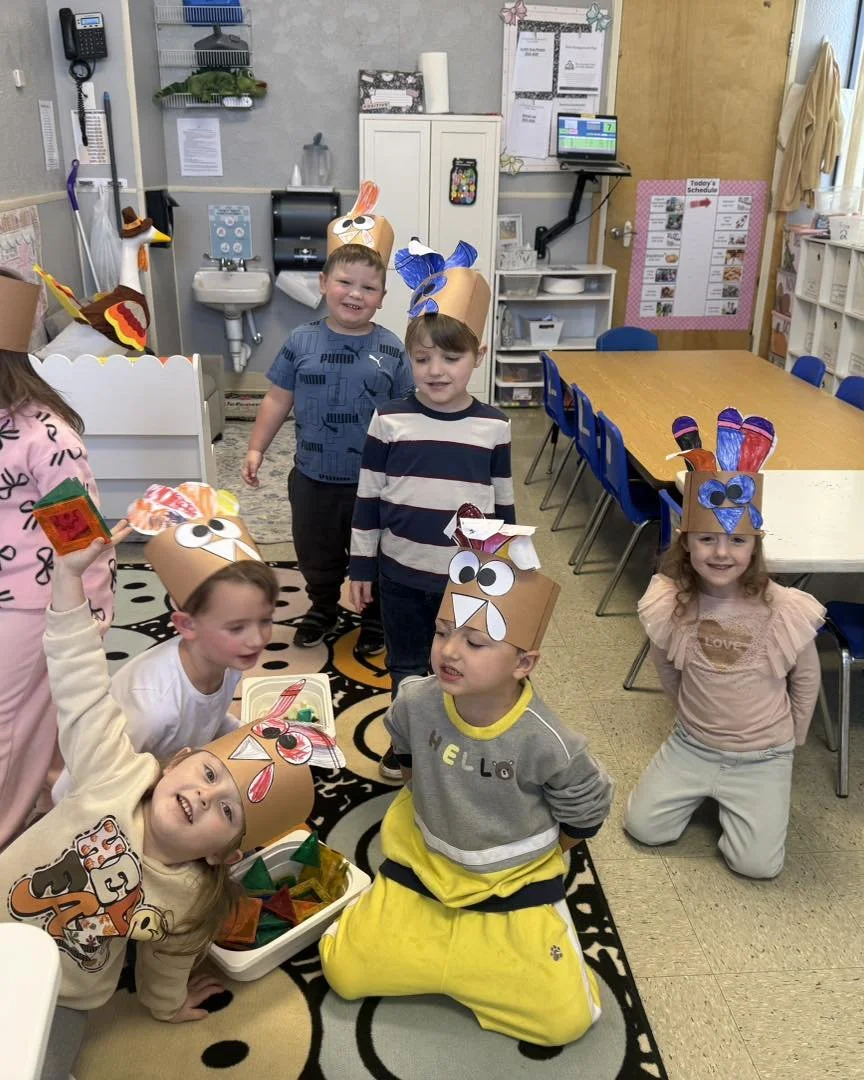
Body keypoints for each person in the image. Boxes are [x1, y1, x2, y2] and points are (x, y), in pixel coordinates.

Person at [1, 520, 316, 1080]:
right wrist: (69, 578)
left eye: (226, 809)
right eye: (209, 771)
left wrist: (167, 1006)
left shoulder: (193, 895)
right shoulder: (113, 775)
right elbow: (78, 680)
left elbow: (166, 961)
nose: (204, 793)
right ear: (178, 758)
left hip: (64, 993)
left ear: (225, 854)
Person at [322, 511, 613, 1047]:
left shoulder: (549, 741)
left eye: (476, 643)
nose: (450, 651)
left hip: (511, 886)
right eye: (441, 632)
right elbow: (407, 755)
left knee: (564, 1021)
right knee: (344, 970)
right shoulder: (416, 700)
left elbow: (585, 813)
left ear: (523, 662)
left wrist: (545, 854)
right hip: (425, 864)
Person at [624, 409, 825, 879]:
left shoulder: (782, 607)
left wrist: (791, 739)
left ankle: (748, 802)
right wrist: (688, 716)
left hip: (763, 756)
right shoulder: (671, 601)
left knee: (757, 866)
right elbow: (666, 665)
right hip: (692, 745)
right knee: (644, 827)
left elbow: (807, 675)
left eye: (736, 540)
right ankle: (703, 792)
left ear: (753, 547)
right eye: (707, 538)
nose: (720, 552)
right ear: (686, 542)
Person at [349, 240, 514, 779]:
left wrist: (511, 569)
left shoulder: (494, 426)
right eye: (422, 358)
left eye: (451, 357)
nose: (436, 370)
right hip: (398, 574)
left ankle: (450, 742)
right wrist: (360, 568)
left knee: (460, 666)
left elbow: (503, 501)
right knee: (405, 666)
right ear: (408, 358)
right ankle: (406, 741)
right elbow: (369, 497)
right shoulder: (389, 420)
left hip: (463, 582)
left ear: (478, 357)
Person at [242, 183, 413, 656]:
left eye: (368, 287)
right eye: (345, 282)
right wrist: (257, 447)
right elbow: (277, 399)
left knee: (376, 551)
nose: (355, 294)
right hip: (313, 476)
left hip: (375, 480)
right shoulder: (300, 341)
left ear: (382, 296)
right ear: (323, 282)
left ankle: (375, 614)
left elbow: (406, 414)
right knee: (316, 550)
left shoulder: (392, 348)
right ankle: (322, 603)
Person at [52, 482, 278, 803]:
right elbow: (99, 782)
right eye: (237, 627)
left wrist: (250, 736)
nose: (256, 639)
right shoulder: (153, 708)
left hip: (165, 779)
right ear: (187, 625)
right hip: (100, 807)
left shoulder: (227, 660)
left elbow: (206, 721)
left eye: (265, 620)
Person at [0, 268, 114, 848]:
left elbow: (83, 541)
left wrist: (88, 620)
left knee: (13, 725)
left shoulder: (46, 437)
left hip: (32, 604)